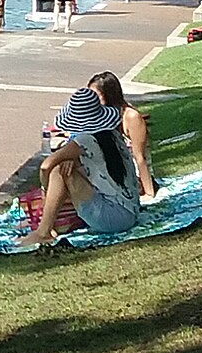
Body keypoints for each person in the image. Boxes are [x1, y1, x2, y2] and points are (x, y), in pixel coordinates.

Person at [14, 88, 140, 247]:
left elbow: (46, 166)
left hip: (113, 218)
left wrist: (46, 190)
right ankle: (47, 226)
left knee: (59, 170)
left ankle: (43, 232)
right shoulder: (112, 135)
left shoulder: (86, 140)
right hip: (130, 212)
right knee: (66, 168)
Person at [88, 70, 158, 200]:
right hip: (113, 172)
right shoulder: (101, 115)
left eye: (95, 96)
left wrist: (149, 193)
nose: (90, 100)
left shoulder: (131, 117)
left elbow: (140, 158)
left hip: (133, 178)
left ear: (109, 95)